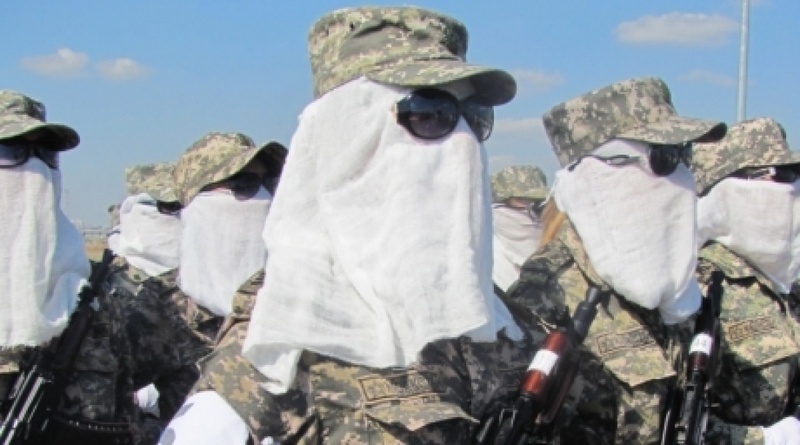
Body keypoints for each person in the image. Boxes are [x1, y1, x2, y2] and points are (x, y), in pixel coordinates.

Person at [161, 6, 542, 444]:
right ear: (349, 134)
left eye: (473, 117)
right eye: (428, 113)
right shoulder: (278, 340)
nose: (462, 141)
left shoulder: (502, 321)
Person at [507, 77, 727, 443]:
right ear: (603, 172)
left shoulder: (680, 294)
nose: (684, 178)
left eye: (684, 156)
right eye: (663, 158)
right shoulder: (546, 299)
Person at [0, 89, 141, 443]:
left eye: (46, 154)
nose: (33, 168)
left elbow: (126, 424)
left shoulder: (96, 294)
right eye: (9, 151)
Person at [691, 117, 800, 444]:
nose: (786, 188)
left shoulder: (790, 285)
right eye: (767, 176)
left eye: (792, 175)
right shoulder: (700, 286)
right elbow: (659, 419)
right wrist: (766, 439)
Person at [102, 162, 209, 441]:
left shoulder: (204, 290)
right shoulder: (104, 292)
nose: (177, 217)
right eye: (168, 207)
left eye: (184, 207)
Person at [169, 132, 286, 346]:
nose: (263, 196)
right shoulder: (154, 313)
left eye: (269, 183)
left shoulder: (301, 300)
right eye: (243, 182)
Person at [490, 165, 549, 294]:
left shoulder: (559, 236)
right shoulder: (487, 253)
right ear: (502, 202)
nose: (530, 206)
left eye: (536, 202)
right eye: (522, 199)